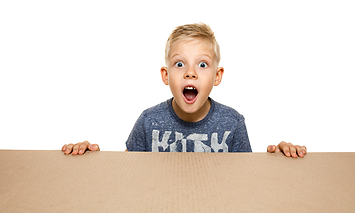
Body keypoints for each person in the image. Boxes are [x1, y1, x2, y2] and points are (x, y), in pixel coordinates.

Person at [62, 23, 307, 158]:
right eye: (180, 64)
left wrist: (281, 160)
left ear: (217, 76)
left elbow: (247, 181)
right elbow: (126, 176)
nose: (190, 72)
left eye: (202, 64)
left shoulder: (232, 123)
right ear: (166, 76)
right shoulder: (149, 122)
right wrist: (89, 160)